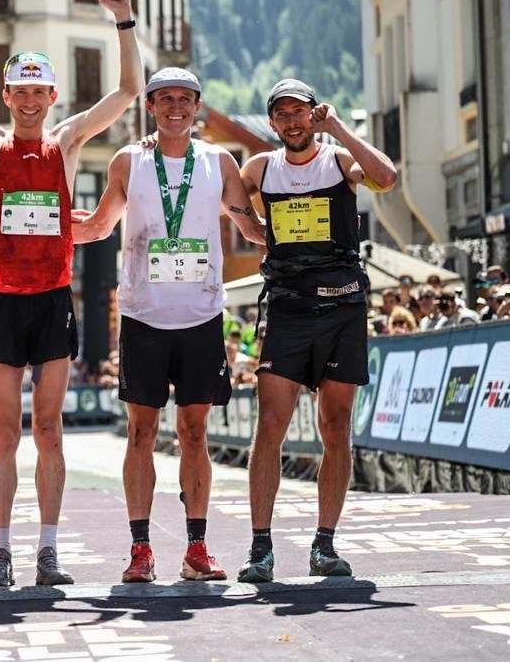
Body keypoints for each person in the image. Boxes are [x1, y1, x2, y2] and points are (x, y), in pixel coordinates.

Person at [0, 0, 144, 587]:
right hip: (1, 300)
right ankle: (0, 551)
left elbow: (126, 92)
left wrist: (123, 20)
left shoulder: (67, 142)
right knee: (5, 431)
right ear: (8, 94)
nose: (30, 102)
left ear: (52, 94)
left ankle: (47, 551)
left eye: (39, 92)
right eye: (20, 92)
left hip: (50, 301)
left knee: (49, 429)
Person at [72, 68, 265, 583]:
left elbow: (249, 226)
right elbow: (96, 227)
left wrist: (302, 225)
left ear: (197, 106)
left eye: (185, 99)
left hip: (201, 317)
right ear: (151, 107)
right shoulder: (128, 161)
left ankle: (197, 548)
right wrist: (45, 223)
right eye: (165, 99)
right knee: (141, 433)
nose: (176, 107)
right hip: (143, 317)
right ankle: (141, 550)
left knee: (195, 432)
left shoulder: (219, 161)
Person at [238, 78, 397, 582]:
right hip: (287, 309)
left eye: (300, 112)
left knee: (335, 426)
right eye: (281, 113)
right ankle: (260, 549)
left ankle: (324, 545)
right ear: (272, 122)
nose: (292, 121)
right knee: (271, 426)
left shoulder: (336, 159)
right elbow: (224, 192)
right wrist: (250, 228)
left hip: (343, 309)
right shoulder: (261, 167)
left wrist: (340, 129)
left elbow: (386, 178)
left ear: (313, 115)